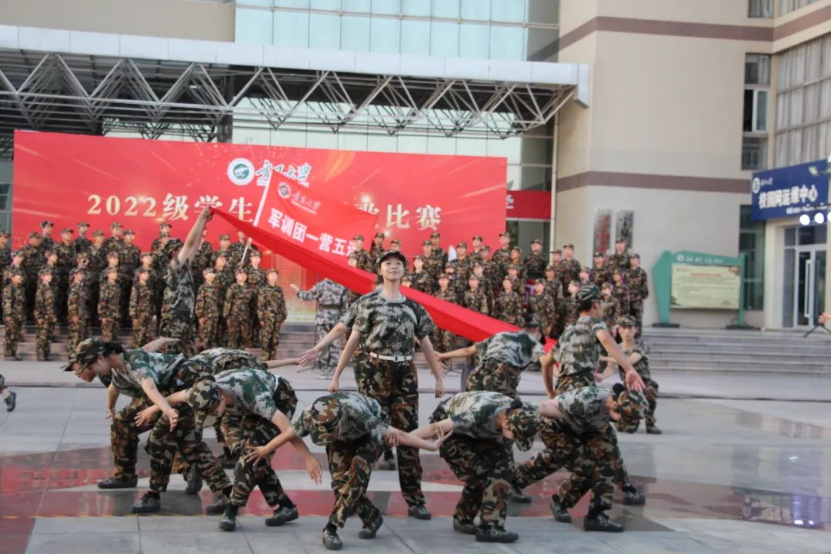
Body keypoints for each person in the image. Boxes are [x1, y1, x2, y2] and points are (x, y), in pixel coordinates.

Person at [246, 391, 450, 551]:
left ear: (340, 423)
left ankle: (331, 528)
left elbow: (399, 434)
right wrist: (265, 449)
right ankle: (372, 517)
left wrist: (431, 446)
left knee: (355, 477)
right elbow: (288, 434)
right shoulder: (311, 415)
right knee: (339, 484)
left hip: (368, 436)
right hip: (341, 439)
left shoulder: (358, 413)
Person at [329, 249, 445, 520]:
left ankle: (415, 501)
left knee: (410, 438)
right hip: (374, 373)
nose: (393, 267)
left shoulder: (414, 307)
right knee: (369, 437)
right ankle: (355, 498)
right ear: (380, 270)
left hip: (405, 373)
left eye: (398, 264)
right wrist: (336, 374)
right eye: (388, 263)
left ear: (404, 271)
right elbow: (352, 340)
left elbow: (426, 344)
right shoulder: (368, 303)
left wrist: (438, 377)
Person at [546, 284, 647, 508]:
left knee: (571, 450)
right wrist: (629, 369)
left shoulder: (568, 330)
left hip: (563, 393)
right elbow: (607, 341)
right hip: (583, 393)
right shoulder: (595, 323)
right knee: (604, 443)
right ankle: (582, 503)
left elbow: (546, 362)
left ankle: (519, 484)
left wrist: (551, 392)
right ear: (595, 304)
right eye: (600, 304)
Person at [182, 366, 316, 531]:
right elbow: (174, 397)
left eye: (212, 411)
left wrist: (308, 457)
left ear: (221, 398)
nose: (211, 415)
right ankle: (285, 506)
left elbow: (289, 430)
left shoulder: (256, 397)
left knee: (249, 456)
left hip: (280, 398)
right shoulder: (203, 390)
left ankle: (231, 509)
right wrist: (157, 408)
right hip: (239, 408)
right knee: (250, 456)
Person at [514, 384, 646, 532]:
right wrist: (523, 410)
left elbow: (613, 455)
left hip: (588, 426)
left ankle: (595, 516)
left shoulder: (609, 413)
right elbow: (548, 406)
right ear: (615, 405)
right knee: (580, 463)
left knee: (606, 460)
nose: (621, 421)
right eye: (623, 417)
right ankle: (517, 482)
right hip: (556, 425)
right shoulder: (585, 400)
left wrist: (625, 485)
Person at [412, 391, 541, 543]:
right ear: (507, 423)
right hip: (452, 429)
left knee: (503, 468)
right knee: (480, 472)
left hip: (483, 429)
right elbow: (435, 428)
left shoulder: (524, 411)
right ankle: (473, 522)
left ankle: (488, 525)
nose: (513, 440)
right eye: (514, 434)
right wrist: (400, 437)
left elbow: (550, 406)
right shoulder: (476, 414)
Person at [439, 321, 552, 399]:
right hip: (502, 375)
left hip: (479, 373)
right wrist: (556, 371)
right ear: (537, 331)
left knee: (473, 407)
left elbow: (468, 351)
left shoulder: (501, 335)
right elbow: (545, 362)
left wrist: (441, 355)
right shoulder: (533, 340)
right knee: (511, 412)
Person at [158, 207, 213, 356]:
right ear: (173, 252)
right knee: (172, 358)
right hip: (174, 320)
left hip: (185, 319)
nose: (184, 250)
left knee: (189, 357)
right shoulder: (174, 266)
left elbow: (194, 245)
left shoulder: (185, 266)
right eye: (180, 248)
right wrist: (201, 217)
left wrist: (204, 222)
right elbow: (190, 243)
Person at [602, 316, 661, 434]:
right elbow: (609, 369)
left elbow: (629, 361)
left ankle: (650, 423)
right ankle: (628, 419)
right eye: (623, 328)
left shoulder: (642, 346)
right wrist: (600, 377)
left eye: (630, 328)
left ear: (636, 329)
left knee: (650, 389)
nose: (626, 331)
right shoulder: (615, 348)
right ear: (619, 330)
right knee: (624, 429)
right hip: (628, 387)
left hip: (643, 384)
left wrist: (603, 357)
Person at [291, 278, 347, 379]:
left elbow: (307, 296)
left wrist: (298, 291)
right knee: (335, 344)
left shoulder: (321, 285)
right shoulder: (342, 286)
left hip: (323, 318)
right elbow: (345, 306)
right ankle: (333, 370)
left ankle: (323, 369)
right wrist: (343, 320)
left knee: (322, 344)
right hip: (337, 319)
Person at [258, 269, 287, 360]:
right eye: (271, 275)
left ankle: (273, 357)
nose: (274, 277)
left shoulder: (279, 289)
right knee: (266, 337)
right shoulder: (263, 289)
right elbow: (260, 305)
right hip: (267, 317)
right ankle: (265, 357)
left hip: (277, 317)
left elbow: (282, 303)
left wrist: (284, 316)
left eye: (275, 275)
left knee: (275, 338)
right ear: (267, 276)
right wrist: (261, 318)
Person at [224, 269, 254, 349]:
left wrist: (251, 315)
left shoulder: (249, 288)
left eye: (244, 274)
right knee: (233, 336)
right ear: (236, 276)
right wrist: (227, 316)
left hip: (245, 315)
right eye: (240, 274)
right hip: (234, 315)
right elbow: (228, 302)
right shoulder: (232, 287)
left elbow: (252, 303)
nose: (243, 276)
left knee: (245, 336)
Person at [54, 227, 76, 324]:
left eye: (70, 233)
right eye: (66, 233)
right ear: (61, 235)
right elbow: (55, 260)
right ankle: (59, 318)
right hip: (61, 275)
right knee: (60, 297)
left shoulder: (73, 247)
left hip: (71, 276)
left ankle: (67, 317)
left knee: (70, 297)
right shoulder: (57, 247)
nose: (69, 235)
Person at [196, 268, 221, 350]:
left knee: (213, 336)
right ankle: (202, 352)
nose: (211, 275)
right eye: (209, 274)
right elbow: (200, 302)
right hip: (206, 315)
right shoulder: (203, 287)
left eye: (213, 273)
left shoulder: (216, 286)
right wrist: (200, 316)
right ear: (205, 276)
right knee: (205, 336)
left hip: (215, 314)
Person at [3, 268, 25, 361]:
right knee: (9, 334)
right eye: (18, 276)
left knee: (16, 334)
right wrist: (8, 315)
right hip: (11, 316)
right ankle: (8, 353)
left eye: (20, 276)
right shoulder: (9, 289)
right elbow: (7, 303)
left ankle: (13, 352)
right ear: (12, 278)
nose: (20, 278)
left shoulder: (20, 289)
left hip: (18, 315)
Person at [34, 270, 56, 361]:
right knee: (42, 336)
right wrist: (39, 317)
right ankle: (40, 355)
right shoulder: (41, 288)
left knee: (48, 336)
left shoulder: (49, 288)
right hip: (43, 316)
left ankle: (46, 354)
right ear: (42, 277)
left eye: (50, 275)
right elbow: (38, 304)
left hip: (50, 316)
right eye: (47, 275)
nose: (50, 277)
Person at [130, 268, 155, 348]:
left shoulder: (149, 286)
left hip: (148, 314)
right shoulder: (136, 287)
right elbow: (133, 301)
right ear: (139, 275)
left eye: (147, 274)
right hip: (139, 314)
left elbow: (151, 301)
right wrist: (134, 316)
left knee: (147, 335)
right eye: (144, 274)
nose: (147, 275)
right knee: (138, 336)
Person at [433, 273, 457, 353]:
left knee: (446, 342)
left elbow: (455, 309)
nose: (442, 282)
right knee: (437, 342)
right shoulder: (436, 293)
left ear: (448, 281)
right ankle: (437, 360)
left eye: (444, 280)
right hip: (437, 320)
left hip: (448, 321)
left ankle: (446, 359)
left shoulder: (452, 294)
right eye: (440, 280)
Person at [626, 254, 649, 335]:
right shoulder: (626, 272)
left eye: (634, 259)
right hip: (628, 298)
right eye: (631, 259)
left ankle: (638, 333)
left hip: (637, 298)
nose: (633, 260)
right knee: (628, 316)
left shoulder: (642, 272)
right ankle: (629, 333)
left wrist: (643, 297)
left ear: (638, 260)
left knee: (638, 317)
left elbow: (644, 285)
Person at [66, 268, 87, 356]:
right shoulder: (74, 287)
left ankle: (77, 354)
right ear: (75, 275)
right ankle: (72, 354)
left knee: (80, 336)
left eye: (82, 274)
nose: (81, 276)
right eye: (79, 274)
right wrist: (74, 315)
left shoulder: (81, 287)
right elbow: (72, 303)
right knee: (74, 336)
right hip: (76, 315)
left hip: (81, 314)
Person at [98, 267, 121, 342]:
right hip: (108, 314)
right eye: (113, 273)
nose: (115, 274)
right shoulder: (105, 286)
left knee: (115, 337)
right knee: (107, 337)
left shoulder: (117, 286)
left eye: (116, 272)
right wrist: (103, 315)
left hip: (115, 313)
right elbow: (102, 301)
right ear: (108, 275)